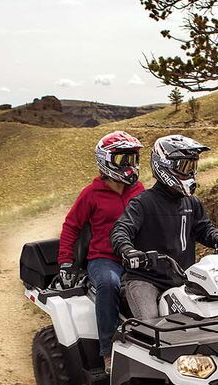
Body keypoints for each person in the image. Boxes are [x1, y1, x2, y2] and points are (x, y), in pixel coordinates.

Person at [110, 134, 218, 320]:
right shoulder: (142, 203)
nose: (190, 173)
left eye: (192, 166)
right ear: (164, 165)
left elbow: (204, 229)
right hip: (147, 280)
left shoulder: (192, 202)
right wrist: (128, 251)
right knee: (153, 326)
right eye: (184, 166)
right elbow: (121, 230)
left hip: (184, 278)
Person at [56, 130, 145, 371]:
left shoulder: (139, 189)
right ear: (105, 160)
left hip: (136, 255)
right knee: (108, 284)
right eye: (122, 159)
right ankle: (108, 351)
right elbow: (71, 226)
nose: (129, 165)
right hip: (104, 258)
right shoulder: (90, 194)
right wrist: (65, 262)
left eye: (132, 159)